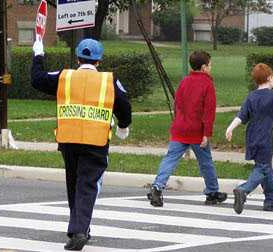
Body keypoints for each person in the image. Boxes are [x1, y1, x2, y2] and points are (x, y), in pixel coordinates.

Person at [31, 37, 131, 251]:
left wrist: (38, 55)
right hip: (96, 142)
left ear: (77, 58)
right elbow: (124, 104)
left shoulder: (64, 77)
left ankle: (79, 227)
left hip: (68, 140)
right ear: (99, 61)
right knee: (87, 186)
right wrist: (124, 125)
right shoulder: (108, 81)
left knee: (74, 184)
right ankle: (79, 231)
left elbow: (37, 79)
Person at [148, 50, 227, 207]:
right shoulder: (207, 84)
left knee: (170, 159)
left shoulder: (184, 81)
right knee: (205, 162)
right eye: (210, 65)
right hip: (197, 131)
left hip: (180, 128)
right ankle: (212, 192)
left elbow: (177, 104)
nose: (211, 67)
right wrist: (207, 133)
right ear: (204, 67)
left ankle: (157, 187)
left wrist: (178, 120)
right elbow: (208, 112)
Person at [225, 63, 273, 214]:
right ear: (269, 78)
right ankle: (243, 190)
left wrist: (230, 128)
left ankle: (271, 201)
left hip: (251, 137)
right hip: (265, 138)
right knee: (263, 168)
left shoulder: (251, 96)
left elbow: (241, 116)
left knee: (266, 167)